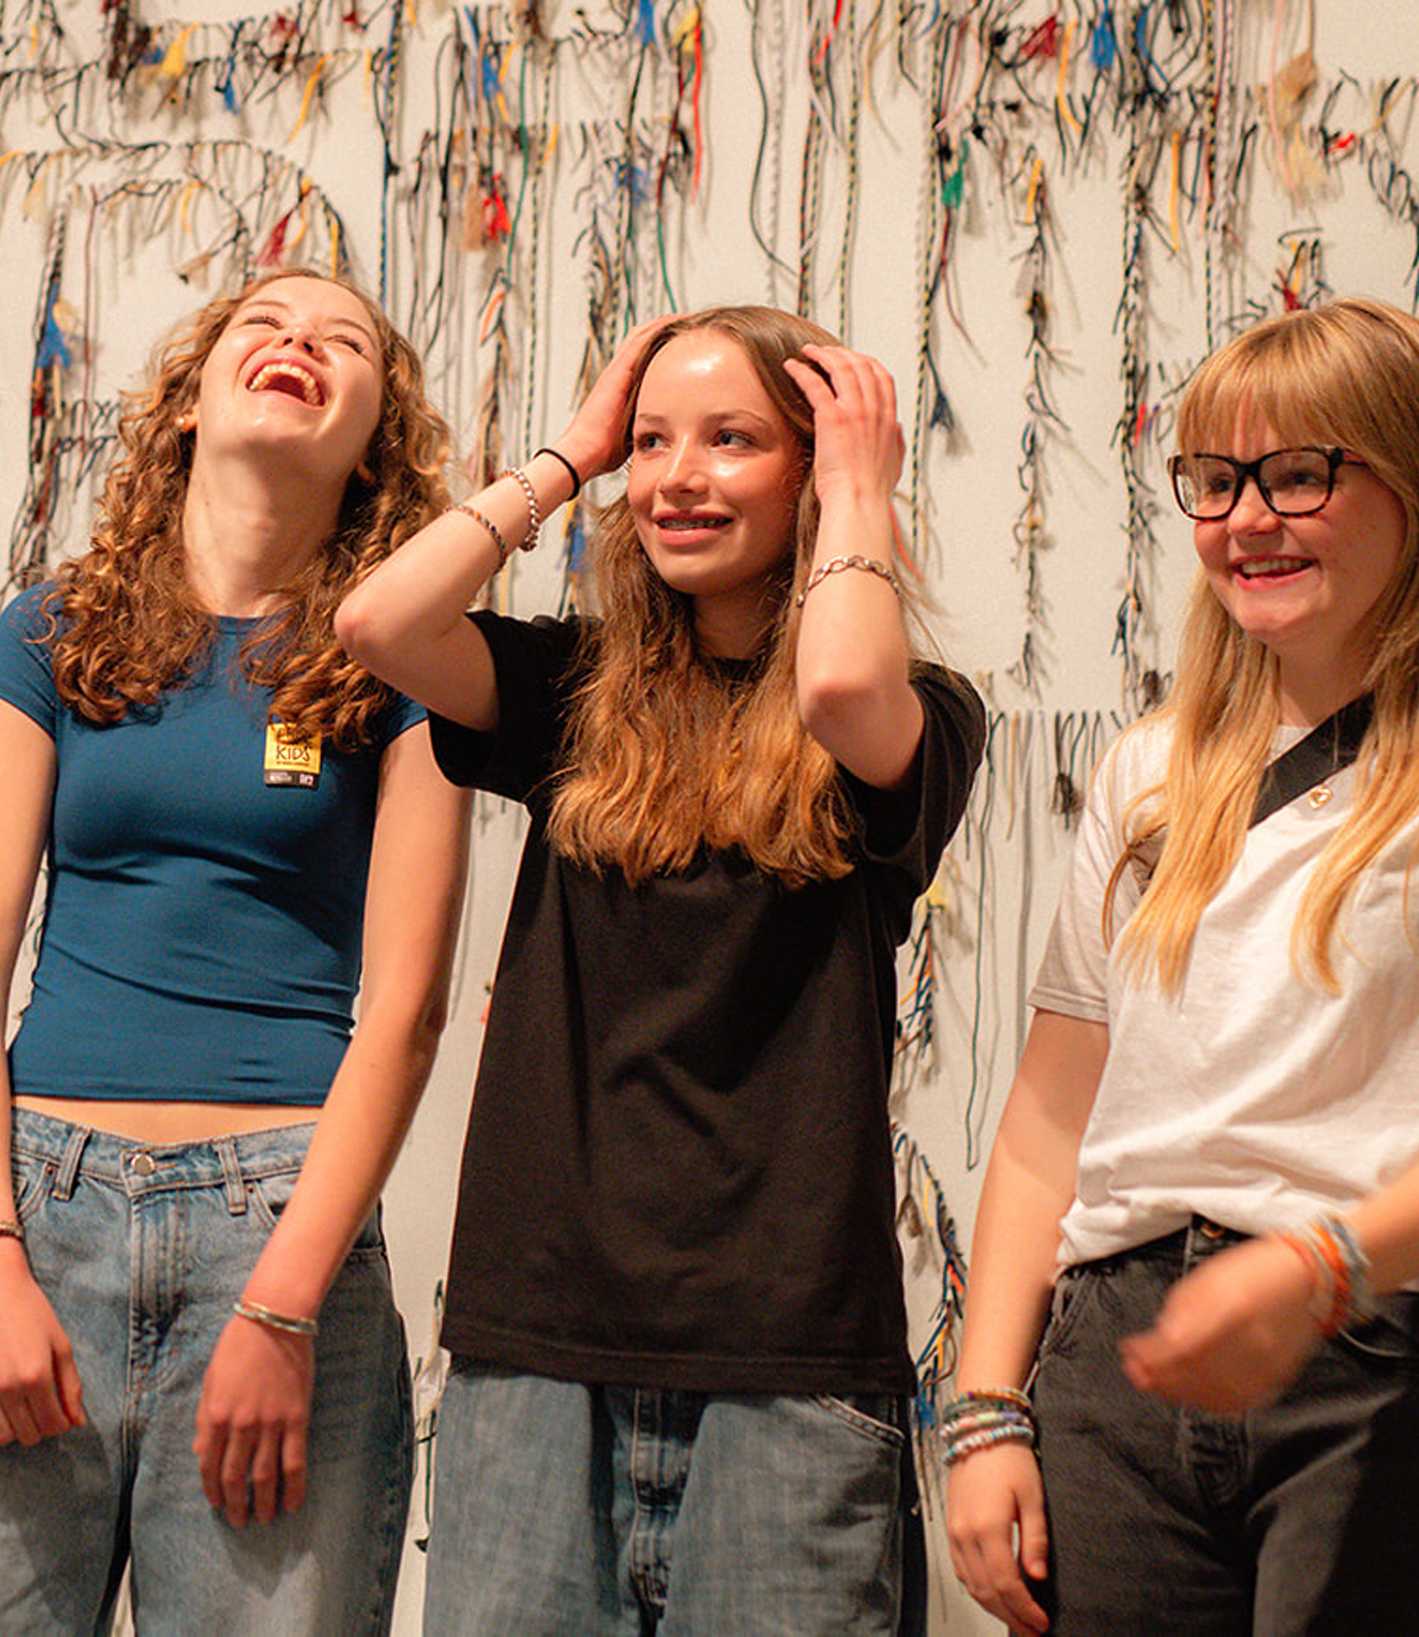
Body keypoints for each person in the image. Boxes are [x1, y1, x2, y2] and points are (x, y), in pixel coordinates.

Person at [943, 298, 1419, 1635]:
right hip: (1123, 1367)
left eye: (1300, 474)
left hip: (1399, 1343)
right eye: (1214, 481)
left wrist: (1316, 1271)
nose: (1245, 519)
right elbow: (1049, 1120)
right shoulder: (1151, 770)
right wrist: (986, 1409)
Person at [337, 305, 984, 1632]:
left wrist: (863, 486)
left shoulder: (925, 710)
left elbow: (843, 690)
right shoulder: (573, 689)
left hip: (790, 1368)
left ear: (813, 465)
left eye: (734, 439)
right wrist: (571, 456)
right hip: (537, 1349)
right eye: (655, 442)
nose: (678, 475)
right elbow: (379, 620)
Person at [0, 267, 467, 1635]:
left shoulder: (409, 667)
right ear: (190, 401)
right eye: (266, 322)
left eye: (343, 340)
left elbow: (407, 1010)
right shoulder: (53, 630)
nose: (300, 341)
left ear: (374, 439)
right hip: (35, 1215)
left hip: (280, 1231)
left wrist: (287, 1308)